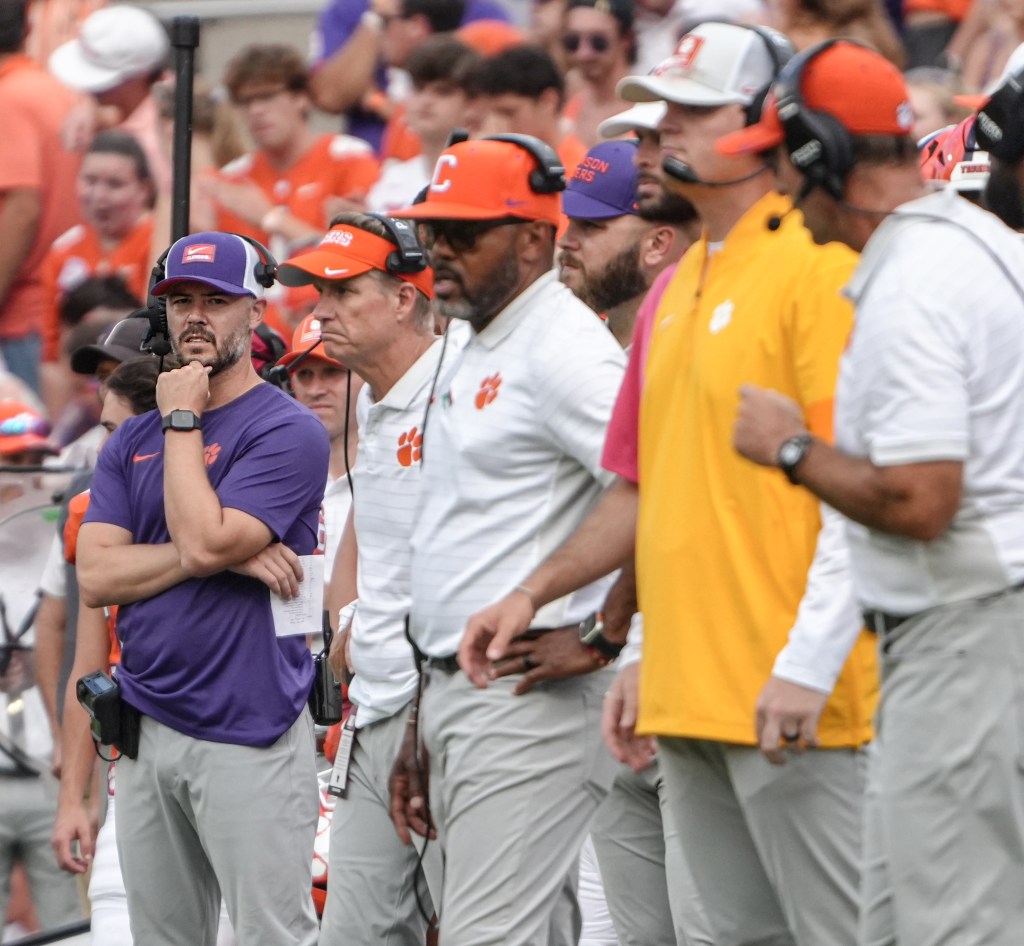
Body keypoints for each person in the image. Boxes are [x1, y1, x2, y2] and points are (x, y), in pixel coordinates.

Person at [459, 22, 878, 946]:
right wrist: (563, 608)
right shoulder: (678, 292)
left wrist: (807, 664)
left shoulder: (819, 266)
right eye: (656, 122)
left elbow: (863, 492)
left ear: (767, 124)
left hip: (799, 692)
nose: (659, 140)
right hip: (690, 690)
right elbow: (647, 493)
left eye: (690, 114)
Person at [722, 39, 1024, 946]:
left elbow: (921, 500)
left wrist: (791, 449)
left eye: (777, 161)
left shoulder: (916, 279)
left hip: (967, 636)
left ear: (820, 154)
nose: (772, 189)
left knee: (958, 928)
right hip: (962, 634)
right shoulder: (955, 246)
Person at [391, 135, 625, 946]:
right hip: (462, 687)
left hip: (529, 697)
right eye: (431, 232)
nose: (440, 251)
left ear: (534, 236)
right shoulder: (473, 334)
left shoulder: (563, 344)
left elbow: (664, 484)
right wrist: (426, 713)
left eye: (464, 232)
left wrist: (606, 630)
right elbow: (459, 544)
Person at [75, 231, 329, 946]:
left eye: (217, 301)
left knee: (269, 936)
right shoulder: (130, 440)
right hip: (148, 723)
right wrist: (220, 556)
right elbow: (96, 577)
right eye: (180, 300)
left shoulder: (289, 429)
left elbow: (206, 540)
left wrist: (183, 418)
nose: (196, 316)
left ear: (254, 313)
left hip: (251, 725)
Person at [276, 212, 445, 946]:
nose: (321, 312)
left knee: (489, 926)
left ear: (405, 299)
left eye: (343, 292)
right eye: (318, 293)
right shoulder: (376, 401)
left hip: (450, 711)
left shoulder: (457, 387)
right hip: (373, 713)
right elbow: (364, 527)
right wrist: (349, 621)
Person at [557, 136, 705, 946]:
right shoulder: (603, 352)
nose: (566, 240)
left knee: (716, 931)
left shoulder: (696, 341)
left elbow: (666, 513)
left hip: (690, 681)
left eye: (590, 224)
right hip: (608, 680)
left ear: (655, 240)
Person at [0, 399, 85, 936]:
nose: (27, 478)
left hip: (52, 774)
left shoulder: (70, 546)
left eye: (38, 462)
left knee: (69, 928)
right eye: (14, 464)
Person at [211, 44, 379, 259]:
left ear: (301, 98)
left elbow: (358, 259)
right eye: (246, 101)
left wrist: (272, 219)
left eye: (267, 97)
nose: (255, 110)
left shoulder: (349, 157)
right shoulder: (234, 176)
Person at [39, 131, 155, 422]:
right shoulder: (63, 251)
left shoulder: (157, 243)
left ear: (144, 189)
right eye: (90, 181)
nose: (99, 195)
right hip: (81, 400)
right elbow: (51, 356)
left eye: (115, 184)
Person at [0, 0, 79, 392]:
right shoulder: (51, 89)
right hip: (50, 306)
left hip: (21, 313)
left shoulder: (9, 97)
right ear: (28, 31)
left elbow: (22, 207)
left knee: (24, 447)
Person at [557, 138, 693, 345]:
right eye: (570, 222)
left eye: (590, 225)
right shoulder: (574, 347)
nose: (566, 241)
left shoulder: (687, 354)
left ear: (657, 245)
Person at [274, 313, 362, 584]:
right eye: (305, 374)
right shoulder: (274, 472)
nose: (315, 389)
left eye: (332, 371)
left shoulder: (395, 466)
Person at [49, 4, 172, 196]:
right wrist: (90, 109)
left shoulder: (158, 141)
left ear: (140, 74)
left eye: (103, 83)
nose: (91, 90)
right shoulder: (165, 97)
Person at [367, 36, 481, 213]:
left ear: (472, 104)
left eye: (443, 92)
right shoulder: (392, 179)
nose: (426, 101)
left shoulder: (486, 177)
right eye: (419, 88)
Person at [560, 0, 635, 148]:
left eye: (598, 42)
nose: (583, 54)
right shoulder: (566, 94)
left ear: (626, 39)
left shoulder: (646, 105)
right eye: (573, 41)